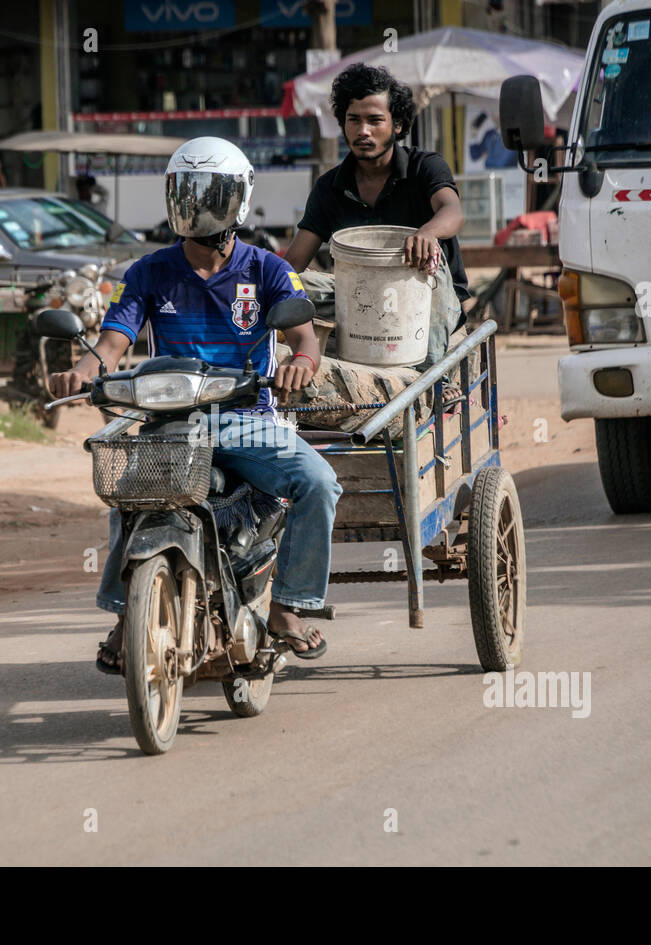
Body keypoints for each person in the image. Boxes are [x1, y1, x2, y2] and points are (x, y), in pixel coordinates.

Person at [49, 136, 343, 674]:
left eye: (210, 195)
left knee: (319, 483)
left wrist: (302, 360)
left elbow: (306, 337)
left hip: (247, 420)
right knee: (128, 492)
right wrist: (84, 370)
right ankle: (124, 615)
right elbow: (111, 344)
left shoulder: (269, 271)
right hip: (170, 424)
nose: (196, 206)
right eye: (186, 193)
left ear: (238, 201)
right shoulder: (147, 273)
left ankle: (288, 607)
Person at [283, 63, 468, 367]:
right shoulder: (329, 187)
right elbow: (293, 264)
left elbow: (453, 211)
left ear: (397, 125)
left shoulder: (425, 167)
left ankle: (430, 377)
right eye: (353, 120)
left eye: (375, 120)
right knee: (290, 285)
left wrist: (427, 233)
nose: (363, 131)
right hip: (360, 299)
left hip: (427, 294)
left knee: (428, 260)